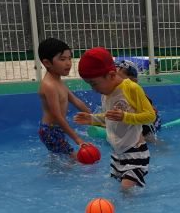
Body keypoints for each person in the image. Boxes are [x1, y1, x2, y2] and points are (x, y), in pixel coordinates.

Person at [74, 47, 156, 188]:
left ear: (111, 75)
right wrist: (92, 119)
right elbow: (109, 117)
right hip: (117, 155)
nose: (93, 88)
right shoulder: (106, 93)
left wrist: (125, 116)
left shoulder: (131, 88)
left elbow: (150, 116)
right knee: (122, 191)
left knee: (125, 191)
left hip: (135, 152)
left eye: (94, 83)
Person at [35, 38, 92, 158]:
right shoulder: (49, 86)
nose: (68, 63)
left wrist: (94, 118)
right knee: (74, 158)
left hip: (55, 128)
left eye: (69, 58)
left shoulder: (58, 81)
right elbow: (57, 116)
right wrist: (77, 139)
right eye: (62, 59)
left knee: (63, 157)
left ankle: (52, 170)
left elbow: (75, 101)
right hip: (50, 130)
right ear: (47, 63)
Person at [116, 59, 161, 142]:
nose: (115, 80)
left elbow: (151, 115)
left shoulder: (135, 90)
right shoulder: (115, 92)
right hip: (135, 122)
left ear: (134, 81)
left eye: (119, 78)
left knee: (150, 140)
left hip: (147, 125)